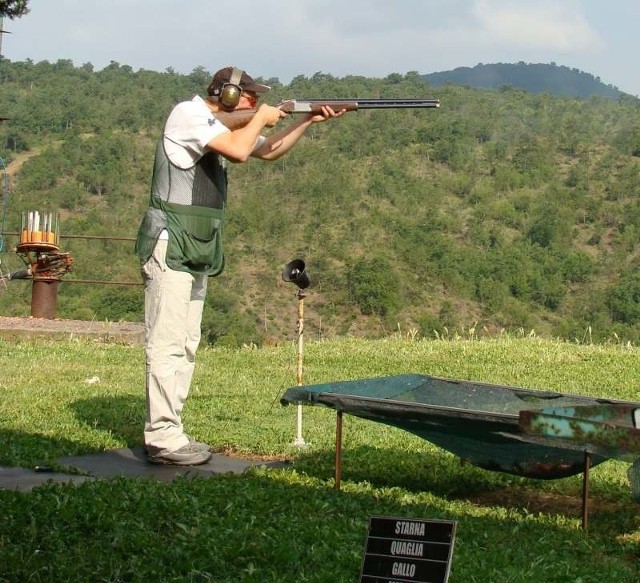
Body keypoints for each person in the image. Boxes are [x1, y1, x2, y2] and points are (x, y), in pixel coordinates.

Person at [134, 66, 344, 465]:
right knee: (166, 342)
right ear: (227, 95)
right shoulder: (188, 114)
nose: (254, 104)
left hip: (195, 244)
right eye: (249, 97)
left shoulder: (216, 124)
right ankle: (162, 437)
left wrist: (307, 121)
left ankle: (172, 431)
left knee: (186, 343)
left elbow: (268, 150)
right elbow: (241, 151)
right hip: (171, 241)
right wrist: (263, 118)